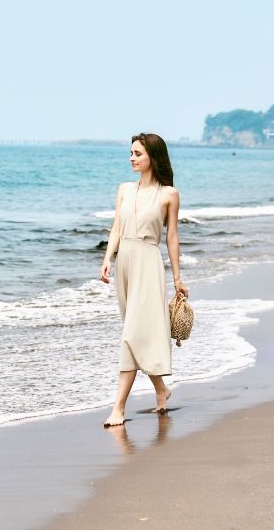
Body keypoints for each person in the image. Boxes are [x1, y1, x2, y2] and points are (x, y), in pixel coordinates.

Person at [99, 133, 189, 427]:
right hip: (125, 263)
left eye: (137, 154)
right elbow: (116, 228)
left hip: (149, 263)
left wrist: (177, 278)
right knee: (136, 332)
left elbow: (172, 237)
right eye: (131, 153)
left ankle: (118, 408)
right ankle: (161, 391)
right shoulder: (124, 189)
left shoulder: (169, 194)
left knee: (131, 335)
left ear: (153, 156)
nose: (132, 158)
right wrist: (107, 258)